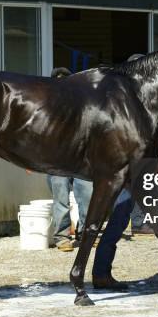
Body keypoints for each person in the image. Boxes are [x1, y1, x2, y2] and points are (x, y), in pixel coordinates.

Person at [47, 67, 93, 252]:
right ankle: (62, 236)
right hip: (58, 160)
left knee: (88, 195)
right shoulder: (47, 105)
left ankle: (86, 234)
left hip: (81, 158)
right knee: (61, 198)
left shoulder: (82, 104)